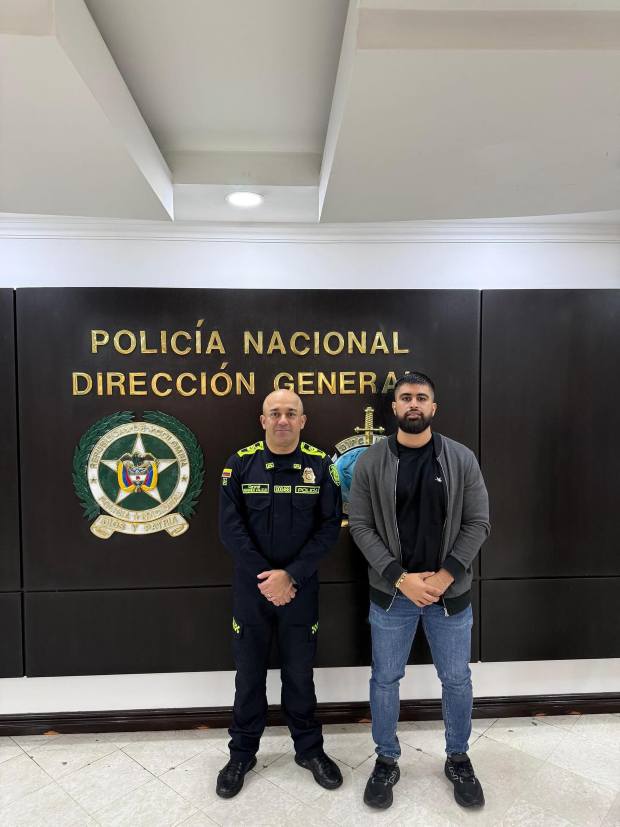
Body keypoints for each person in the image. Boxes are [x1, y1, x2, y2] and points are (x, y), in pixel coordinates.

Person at [348, 372, 490, 811]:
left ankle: (458, 758)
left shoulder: (461, 458)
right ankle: (386, 760)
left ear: (433, 407)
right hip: (393, 596)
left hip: (449, 596)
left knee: (457, 679)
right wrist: (400, 578)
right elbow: (360, 526)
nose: (413, 404)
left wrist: (445, 576)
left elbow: (478, 523)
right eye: (406, 397)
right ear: (394, 407)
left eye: (421, 397)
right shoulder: (371, 461)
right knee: (385, 680)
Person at [216, 389, 343, 798]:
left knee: (300, 675)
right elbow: (230, 530)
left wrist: (291, 576)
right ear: (263, 420)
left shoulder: (321, 466)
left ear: (303, 421)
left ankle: (309, 750)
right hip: (251, 592)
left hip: (300, 591)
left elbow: (329, 528)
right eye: (275, 413)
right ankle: (241, 754)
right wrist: (269, 579)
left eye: (291, 413)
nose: (283, 420)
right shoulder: (239, 464)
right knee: (249, 675)